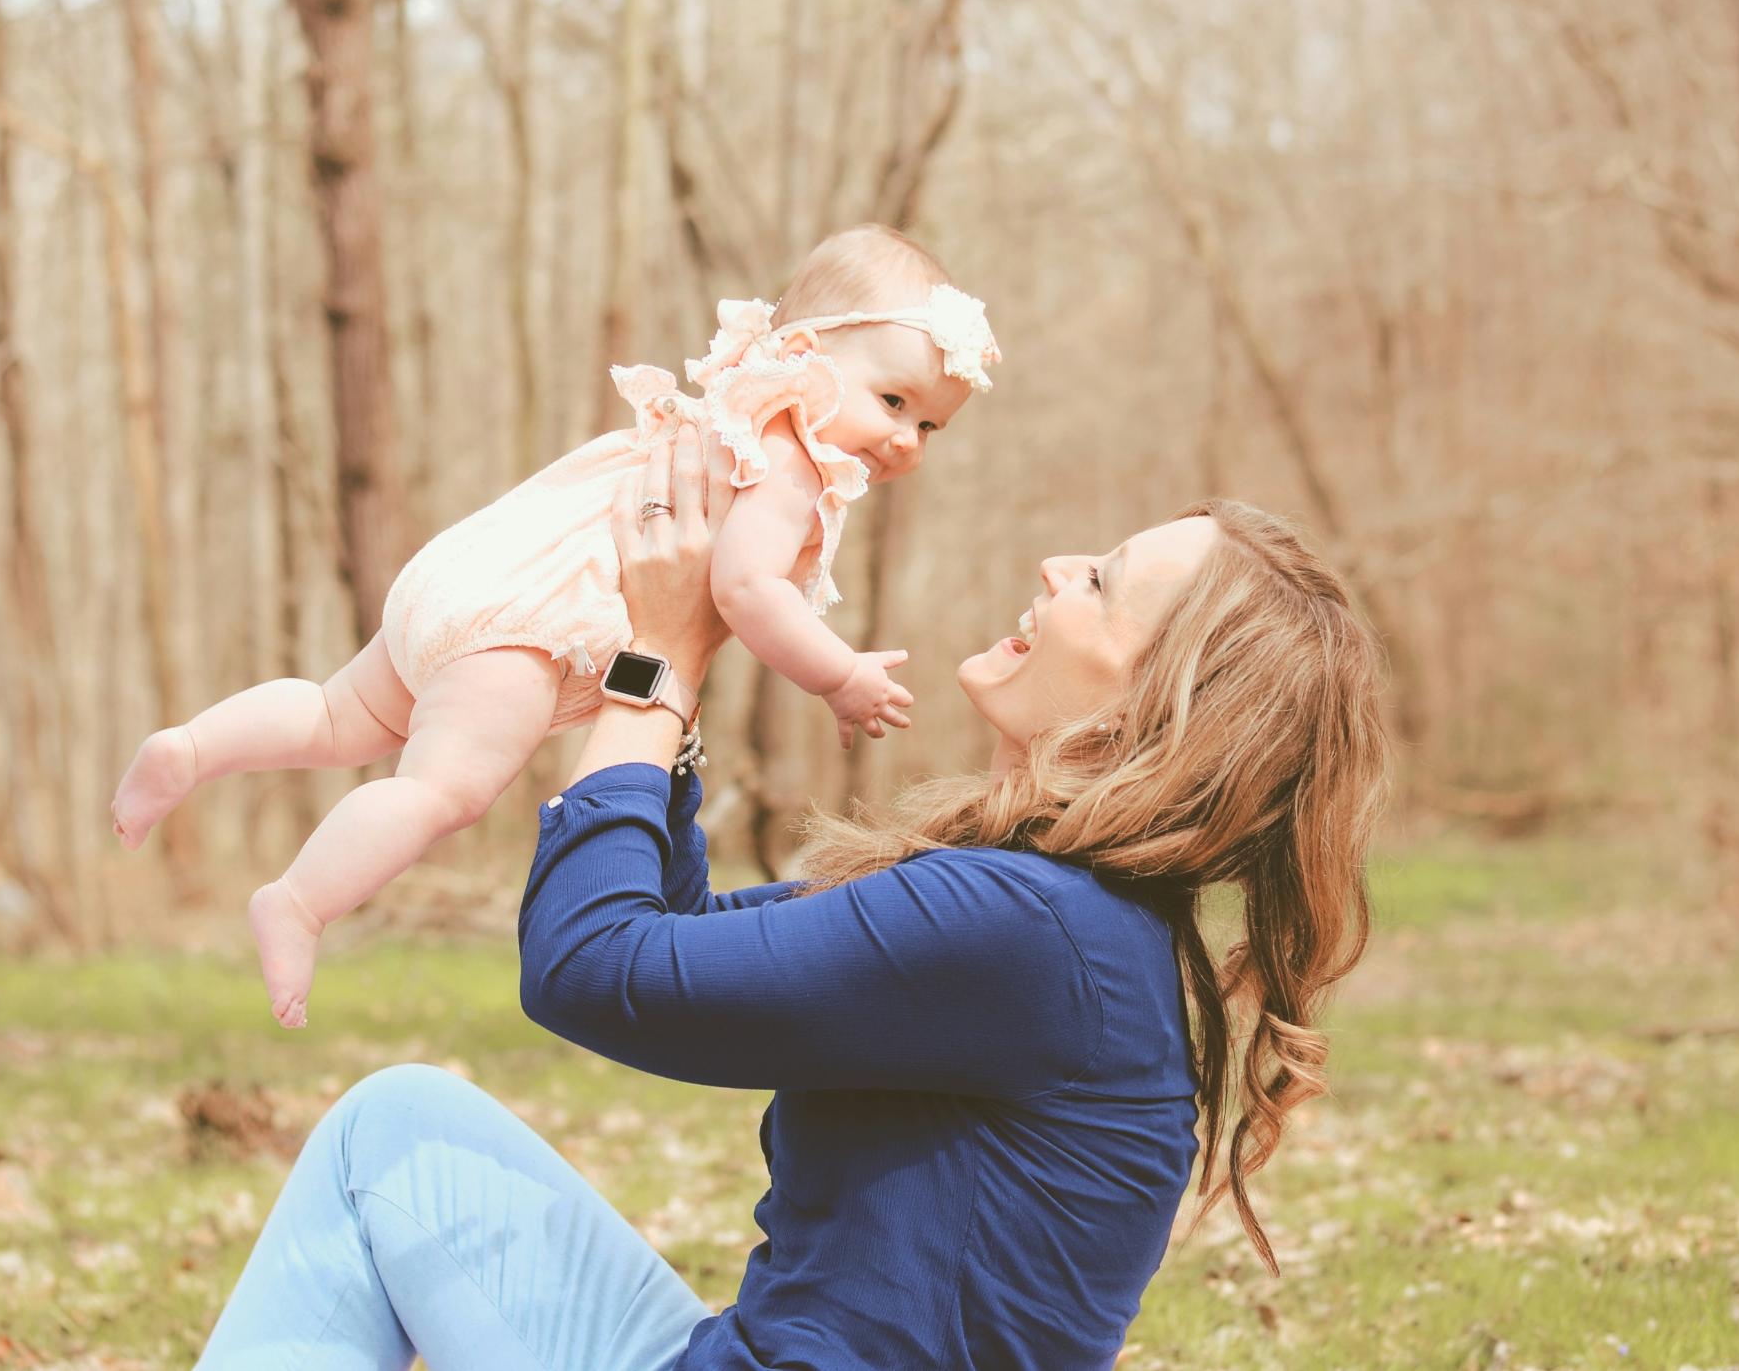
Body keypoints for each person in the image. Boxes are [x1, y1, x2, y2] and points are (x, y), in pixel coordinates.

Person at [191, 426, 1393, 1369]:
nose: (1054, 566)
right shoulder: (1066, 927)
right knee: (400, 1131)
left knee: (384, 1139)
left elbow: (591, 967)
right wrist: (678, 665)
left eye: (1101, 581)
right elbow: (687, 946)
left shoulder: (1033, 932)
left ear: (1153, 711)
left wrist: (649, 672)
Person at [107, 225, 1000, 1029]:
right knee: (441, 792)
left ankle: (192, 747)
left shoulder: (734, 407)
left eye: (931, 425)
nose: (908, 440)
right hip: (526, 627)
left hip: (474, 571)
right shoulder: (790, 459)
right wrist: (836, 674)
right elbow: (744, 590)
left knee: (340, 714)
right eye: (893, 402)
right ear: (806, 354)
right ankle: (300, 902)